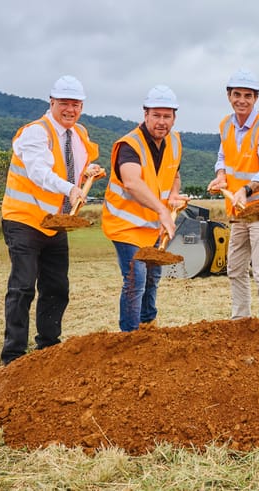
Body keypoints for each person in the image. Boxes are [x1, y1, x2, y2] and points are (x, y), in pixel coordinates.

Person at [0, 75, 100, 365]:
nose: (70, 110)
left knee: (57, 286)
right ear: (52, 102)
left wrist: (88, 172)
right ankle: (14, 355)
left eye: (76, 104)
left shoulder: (78, 133)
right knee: (23, 286)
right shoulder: (35, 132)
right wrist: (71, 188)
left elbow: (74, 168)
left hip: (57, 222)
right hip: (24, 219)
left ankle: (48, 347)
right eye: (65, 104)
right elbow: (39, 172)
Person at [101, 84, 187, 332]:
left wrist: (172, 195)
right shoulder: (130, 145)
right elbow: (131, 181)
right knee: (135, 279)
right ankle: (129, 336)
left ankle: (148, 327)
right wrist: (162, 211)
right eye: (156, 115)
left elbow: (174, 175)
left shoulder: (174, 142)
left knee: (152, 278)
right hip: (126, 225)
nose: (162, 122)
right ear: (145, 114)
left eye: (167, 116)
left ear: (174, 117)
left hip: (152, 228)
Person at [207, 68, 259, 320]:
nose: (242, 100)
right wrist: (220, 176)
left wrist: (246, 189)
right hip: (240, 210)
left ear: (255, 98)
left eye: (247, 95)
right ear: (229, 96)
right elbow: (223, 157)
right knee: (235, 268)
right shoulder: (226, 125)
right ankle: (240, 322)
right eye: (237, 94)